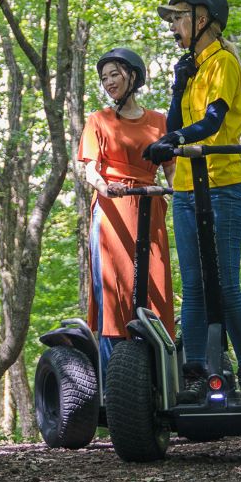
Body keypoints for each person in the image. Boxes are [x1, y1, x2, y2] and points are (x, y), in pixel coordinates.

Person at [143, 0, 241, 403]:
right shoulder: (193, 66)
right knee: (194, 286)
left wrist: (174, 137)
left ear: (202, 19)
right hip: (185, 189)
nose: (174, 26)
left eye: (179, 17)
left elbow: (213, 121)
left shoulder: (224, 63)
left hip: (222, 186)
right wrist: (179, 88)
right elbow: (175, 122)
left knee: (226, 284)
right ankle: (194, 372)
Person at [77, 47, 176, 378]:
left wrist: (182, 199)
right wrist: (106, 187)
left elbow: (172, 171)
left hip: (150, 206)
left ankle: (160, 375)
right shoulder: (98, 120)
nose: (108, 83)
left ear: (133, 77)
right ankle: (114, 381)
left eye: (114, 75)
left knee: (155, 289)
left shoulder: (160, 122)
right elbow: (90, 170)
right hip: (112, 211)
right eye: (104, 78)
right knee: (115, 296)